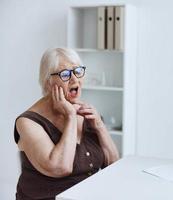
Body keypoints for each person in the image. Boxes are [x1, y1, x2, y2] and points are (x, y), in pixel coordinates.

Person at [14, 47, 119, 200]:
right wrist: (70, 116)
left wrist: (99, 126)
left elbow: (113, 165)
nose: (75, 80)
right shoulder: (27, 122)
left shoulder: (87, 113)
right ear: (48, 82)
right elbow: (60, 167)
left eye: (77, 71)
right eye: (65, 74)